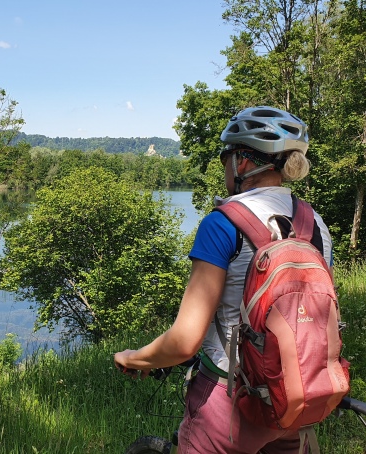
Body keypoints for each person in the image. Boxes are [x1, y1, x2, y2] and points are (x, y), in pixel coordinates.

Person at [114, 106, 333, 453]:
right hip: (295, 399)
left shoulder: (222, 223)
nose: (223, 168)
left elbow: (184, 342)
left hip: (230, 404)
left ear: (242, 162)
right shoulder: (316, 225)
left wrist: (134, 357)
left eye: (224, 158)